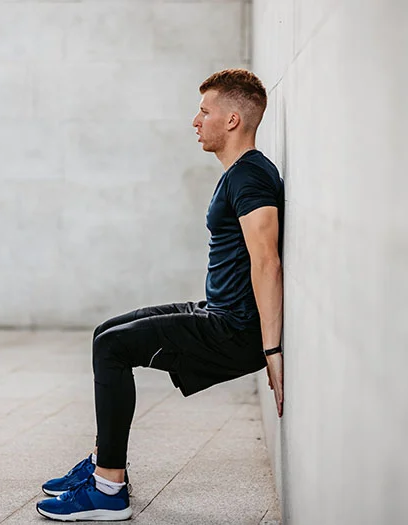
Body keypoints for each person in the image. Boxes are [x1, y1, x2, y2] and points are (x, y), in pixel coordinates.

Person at [36, 68, 285, 522]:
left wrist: (271, 350)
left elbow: (267, 261)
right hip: (219, 311)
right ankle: (101, 462)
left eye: (205, 111)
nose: (196, 121)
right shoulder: (241, 172)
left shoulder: (250, 177)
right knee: (106, 333)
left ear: (232, 120)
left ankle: (108, 489)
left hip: (234, 328)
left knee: (113, 348)